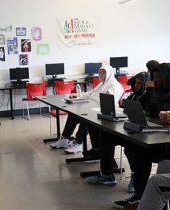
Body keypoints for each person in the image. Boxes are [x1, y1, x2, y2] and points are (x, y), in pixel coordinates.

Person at [113, 63, 170, 209]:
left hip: (165, 141)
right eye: (154, 76)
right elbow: (140, 105)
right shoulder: (154, 91)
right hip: (155, 134)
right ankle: (140, 194)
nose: (155, 80)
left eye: (159, 77)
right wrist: (145, 92)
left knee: (143, 154)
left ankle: (144, 196)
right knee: (134, 148)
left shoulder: (160, 92)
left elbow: (157, 110)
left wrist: (150, 90)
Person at [85, 72, 150, 192]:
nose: (136, 86)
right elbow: (126, 111)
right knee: (106, 136)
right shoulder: (133, 96)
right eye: (135, 83)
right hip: (130, 128)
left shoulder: (149, 96)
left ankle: (136, 177)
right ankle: (107, 174)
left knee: (132, 145)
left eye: (139, 84)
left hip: (143, 134)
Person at [50, 65, 124, 156]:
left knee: (85, 119)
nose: (100, 74)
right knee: (73, 115)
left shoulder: (115, 86)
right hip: (91, 107)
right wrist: (78, 95)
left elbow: (107, 101)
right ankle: (65, 139)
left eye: (103, 72)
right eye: (100, 72)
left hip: (103, 111)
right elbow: (91, 93)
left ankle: (78, 143)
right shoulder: (102, 83)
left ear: (109, 73)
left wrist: (90, 100)